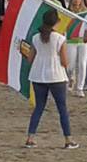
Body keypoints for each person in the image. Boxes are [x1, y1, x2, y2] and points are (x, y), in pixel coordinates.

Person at [22, 9, 78, 149]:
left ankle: (30, 137)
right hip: (56, 75)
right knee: (62, 108)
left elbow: (30, 59)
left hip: (38, 74)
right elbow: (64, 62)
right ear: (57, 22)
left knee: (39, 107)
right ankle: (68, 139)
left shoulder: (36, 37)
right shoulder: (59, 38)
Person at [64, 0, 87, 97]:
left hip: (83, 41)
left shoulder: (86, 13)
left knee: (82, 64)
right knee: (70, 66)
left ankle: (80, 88)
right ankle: (71, 79)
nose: (77, 0)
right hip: (71, 40)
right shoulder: (67, 12)